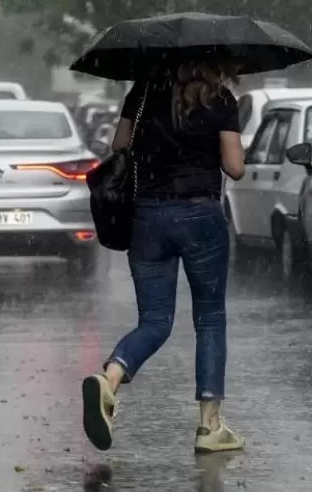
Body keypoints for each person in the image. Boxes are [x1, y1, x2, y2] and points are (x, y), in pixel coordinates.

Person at [81, 60, 247, 454]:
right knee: (210, 318)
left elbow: (118, 147)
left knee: (154, 321)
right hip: (201, 215)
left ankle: (110, 378)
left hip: (149, 217)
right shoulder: (220, 99)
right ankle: (209, 427)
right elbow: (235, 168)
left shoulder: (141, 95)